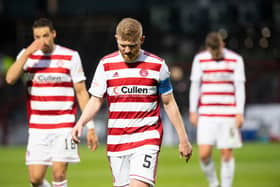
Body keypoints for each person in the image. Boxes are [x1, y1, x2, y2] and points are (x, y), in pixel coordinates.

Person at [72, 17, 192, 187]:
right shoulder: (106, 65)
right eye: (123, 45)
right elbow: (96, 100)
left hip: (147, 137)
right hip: (117, 141)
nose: (127, 50)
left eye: (133, 45)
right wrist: (81, 122)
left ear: (142, 40)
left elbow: (169, 103)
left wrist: (183, 138)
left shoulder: (157, 66)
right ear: (116, 39)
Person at [5, 18, 98, 187]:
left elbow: (81, 92)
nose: (42, 40)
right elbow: (10, 78)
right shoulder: (27, 57)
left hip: (64, 125)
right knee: (35, 179)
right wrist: (27, 53)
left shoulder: (71, 56)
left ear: (53, 34)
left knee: (58, 173)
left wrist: (90, 126)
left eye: (45, 35)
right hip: (37, 127)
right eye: (37, 36)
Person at [189, 32, 246, 187]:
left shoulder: (236, 59)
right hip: (206, 114)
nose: (216, 53)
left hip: (228, 114)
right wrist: (193, 110)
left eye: (218, 49)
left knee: (226, 154)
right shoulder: (200, 59)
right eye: (212, 50)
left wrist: (239, 112)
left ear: (223, 45)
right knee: (204, 154)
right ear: (208, 48)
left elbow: (239, 87)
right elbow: (195, 86)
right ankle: (214, 183)